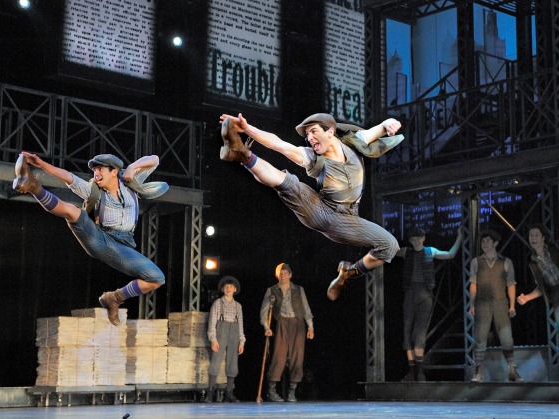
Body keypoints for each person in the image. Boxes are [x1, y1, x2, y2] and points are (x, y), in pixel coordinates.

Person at [219, 113, 403, 301]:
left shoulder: (354, 142)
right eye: (307, 134)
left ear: (330, 131)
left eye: (313, 132)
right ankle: (242, 154)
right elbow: (278, 144)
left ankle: (348, 273)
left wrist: (390, 123)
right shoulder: (312, 157)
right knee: (287, 184)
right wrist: (248, 128)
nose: (310, 138)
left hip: (348, 218)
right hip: (320, 209)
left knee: (390, 246)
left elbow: (381, 127)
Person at [12, 152, 168, 326]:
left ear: (114, 171)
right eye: (94, 170)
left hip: (125, 245)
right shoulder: (93, 189)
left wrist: (132, 167)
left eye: (100, 169)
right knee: (72, 211)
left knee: (156, 278)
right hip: (100, 239)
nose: (96, 174)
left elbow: (154, 159)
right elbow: (68, 177)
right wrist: (41, 164)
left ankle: (114, 298)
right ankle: (33, 186)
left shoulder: (130, 181)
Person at [394, 227, 462, 381]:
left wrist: (459, 238)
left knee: (420, 333)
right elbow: (389, 251)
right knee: (407, 332)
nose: (415, 241)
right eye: (413, 239)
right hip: (410, 293)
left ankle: (419, 370)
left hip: (425, 294)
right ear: (410, 240)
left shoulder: (430, 250)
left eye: (418, 238)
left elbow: (450, 254)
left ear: (423, 238)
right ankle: (411, 369)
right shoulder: (406, 251)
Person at [468, 229, 523, 382]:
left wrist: (512, 305)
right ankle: (478, 371)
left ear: (495, 243)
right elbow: (473, 284)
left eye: (488, 241)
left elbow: (511, 284)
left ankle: (512, 370)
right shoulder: (476, 262)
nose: (484, 244)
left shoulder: (505, 262)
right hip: (482, 302)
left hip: (500, 302)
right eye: (483, 241)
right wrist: (471, 304)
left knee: (506, 337)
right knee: (480, 337)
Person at [260, 263, 314, 402]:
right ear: (277, 275)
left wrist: (310, 327)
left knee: (297, 357)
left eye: (285, 273)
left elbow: (306, 309)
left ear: (290, 275)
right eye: (280, 273)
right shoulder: (271, 290)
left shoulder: (299, 290)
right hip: (282, 323)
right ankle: (271, 391)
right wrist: (267, 327)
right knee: (279, 357)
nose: (282, 275)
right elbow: (264, 312)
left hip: (297, 323)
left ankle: (292, 392)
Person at [205, 276, 246, 403]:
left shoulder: (238, 306)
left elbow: (240, 324)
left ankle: (229, 393)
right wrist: (213, 339)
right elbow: (212, 322)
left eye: (231, 287)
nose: (228, 288)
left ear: (235, 289)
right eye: (226, 286)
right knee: (216, 361)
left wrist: (242, 341)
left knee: (232, 363)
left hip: (234, 332)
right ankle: (210, 393)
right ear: (223, 289)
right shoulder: (218, 303)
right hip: (221, 331)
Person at [516, 224, 559, 322]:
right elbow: (541, 287)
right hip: (556, 295)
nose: (533, 238)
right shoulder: (533, 263)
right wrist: (527, 298)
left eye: (536, 235)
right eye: (531, 235)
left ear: (543, 237)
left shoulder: (555, 248)